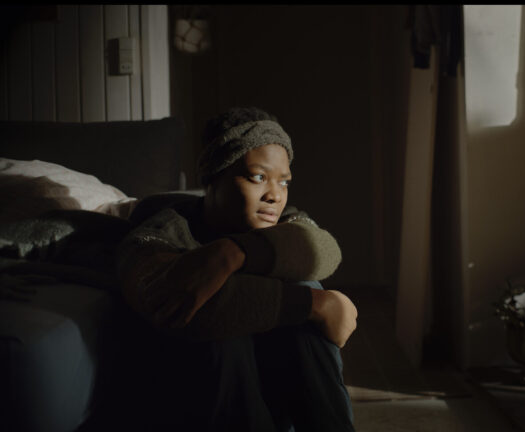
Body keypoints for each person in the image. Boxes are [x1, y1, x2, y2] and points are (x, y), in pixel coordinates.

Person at [110, 107, 358, 431]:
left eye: (284, 182)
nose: (275, 195)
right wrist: (315, 305)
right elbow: (170, 302)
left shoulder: (285, 221)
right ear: (213, 177)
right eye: (258, 177)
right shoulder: (162, 231)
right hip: (195, 402)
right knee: (224, 324)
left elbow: (323, 249)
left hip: (274, 389)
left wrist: (233, 252)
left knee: (305, 282)